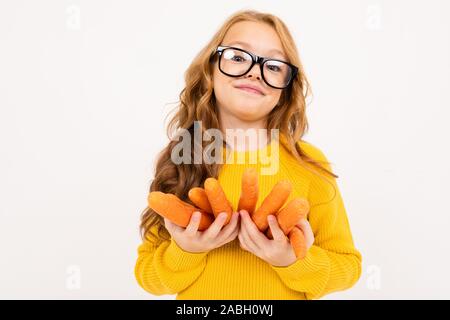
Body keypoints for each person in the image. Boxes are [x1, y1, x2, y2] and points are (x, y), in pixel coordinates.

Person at [134, 9, 362, 300]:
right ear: (210, 69)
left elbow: (348, 266)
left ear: (287, 87)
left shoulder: (308, 163)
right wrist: (186, 250)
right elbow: (148, 278)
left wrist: (292, 261)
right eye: (238, 57)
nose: (255, 71)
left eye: (274, 65)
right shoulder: (183, 156)